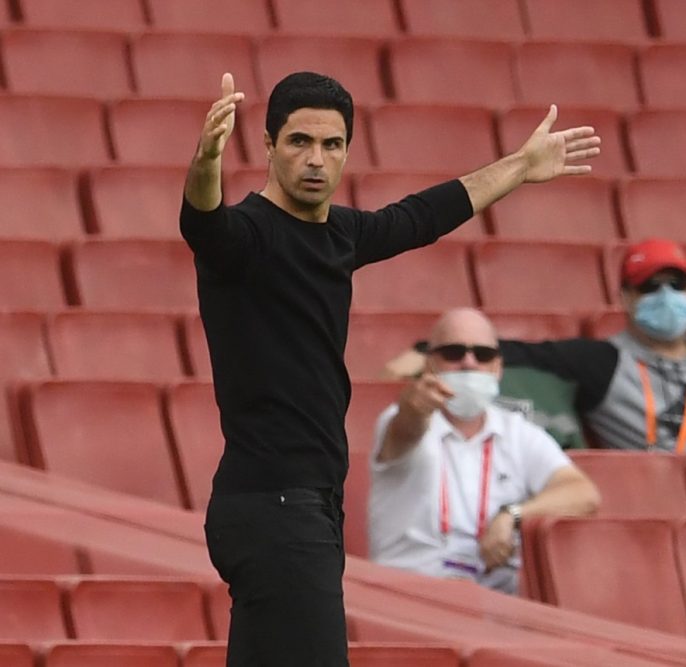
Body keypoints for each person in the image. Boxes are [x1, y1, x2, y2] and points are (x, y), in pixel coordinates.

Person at [181, 70, 600, 667]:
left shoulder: (342, 235)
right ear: (269, 146)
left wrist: (519, 167)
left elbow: (422, 216)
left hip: (307, 507)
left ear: (348, 150)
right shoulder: (245, 236)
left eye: (332, 144)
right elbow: (203, 221)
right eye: (299, 141)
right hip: (274, 505)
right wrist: (205, 162)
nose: (316, 159)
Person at [387, 239, 686, 454]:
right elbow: (522, 352)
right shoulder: (605, 361)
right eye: (650, 288)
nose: (665, 296)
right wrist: (428, 350)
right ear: (625, 298)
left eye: (676, 284)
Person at [368, 308, 600, 594]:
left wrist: (513, 516)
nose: (469, 363)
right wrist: (412, 407)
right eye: (453, 353)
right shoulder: (400, 417)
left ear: (498, 368)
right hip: (411, 594)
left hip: (495, 599)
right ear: (430, 365)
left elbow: (583, 494)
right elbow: (406, 429)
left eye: (483, 355)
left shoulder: (518, 431)